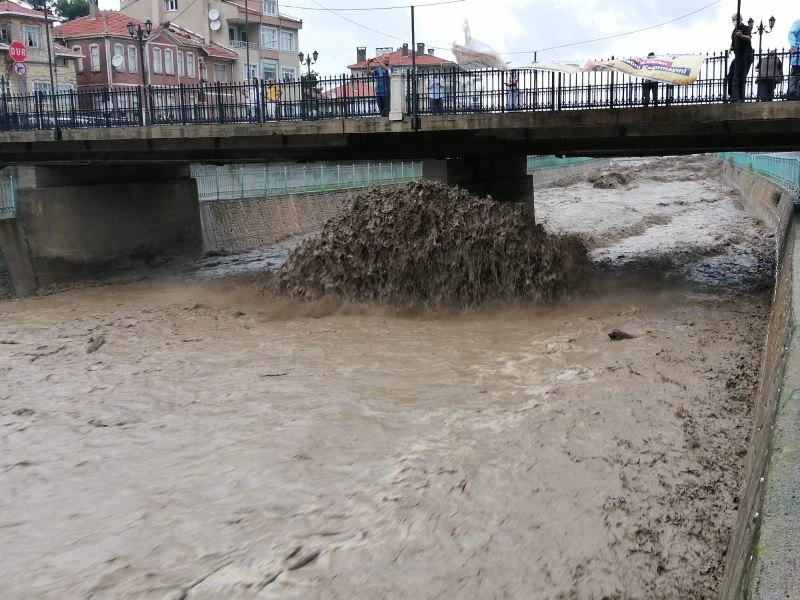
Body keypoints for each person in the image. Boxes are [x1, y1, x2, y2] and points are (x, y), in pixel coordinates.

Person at [729, 13, 754, 102]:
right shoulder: (733, 31)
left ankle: (740, 97)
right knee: (731, 74)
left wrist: (741, 35)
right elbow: (733, 43)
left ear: (740, 19)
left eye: (736, 19)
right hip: (738, 56)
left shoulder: (746, 28)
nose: (734, 21)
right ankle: (732, 95)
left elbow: (749, 38)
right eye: (733, 20)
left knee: (741, 76)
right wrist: (730, 48)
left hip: (746, 55)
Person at [789, 18, 800, 100]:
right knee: (795, 76)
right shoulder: (799, 22)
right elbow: (791, 33)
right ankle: (792, 94)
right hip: (798, 57)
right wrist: (793, 45)